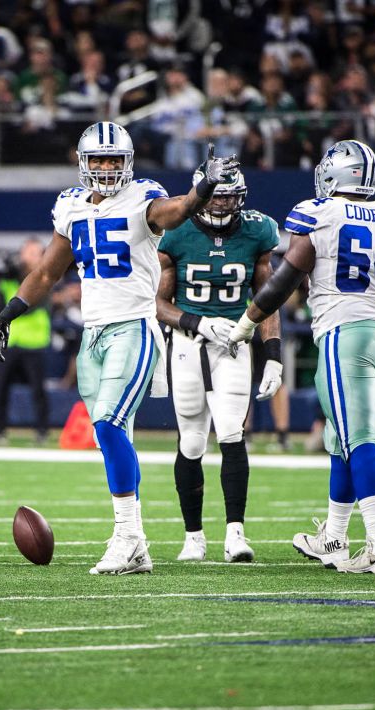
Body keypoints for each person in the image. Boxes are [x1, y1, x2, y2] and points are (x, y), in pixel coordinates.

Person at [0, 122, 239, 575]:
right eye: (98, 159)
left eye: (114, 159)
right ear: (83, 162)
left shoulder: (142, 197)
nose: (106, 168)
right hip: (93, 335)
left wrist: (202, 186)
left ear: (128, 162)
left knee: (107, 422)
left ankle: (127, 536)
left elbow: (178, 211)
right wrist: (10, 311)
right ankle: (136, 545)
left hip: (134, 327)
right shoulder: (69, 205)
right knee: (111, 435)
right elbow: (47, 272)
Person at [230, 140, 375, 574]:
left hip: (346, 334)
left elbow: (287, 277)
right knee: (343, 437)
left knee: (359, 437)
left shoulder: (321, 213)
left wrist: (249, 321)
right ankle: (335, 538)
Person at [155, 166, 281, 563]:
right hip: (188, 340)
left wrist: (273, 355)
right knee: (192, 440)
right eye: (218, 195)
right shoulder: (174, 232)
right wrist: (196, 321)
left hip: (234, 339)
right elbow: (156, 303)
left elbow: (267, 295)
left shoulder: (258, 231)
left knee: (230, 430)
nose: (224, 203)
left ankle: (235, 534)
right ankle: (193, 536)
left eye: (231, 196)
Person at [0, 239, 51, 445]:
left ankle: (42, 431)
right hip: (11, 340)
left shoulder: (45, 277)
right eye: (29, 252)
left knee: (38, 391)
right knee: (1, 388)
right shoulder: (10, 276)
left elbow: (31, 304)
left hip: (34, 341)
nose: (32, 257)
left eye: (36, 253)